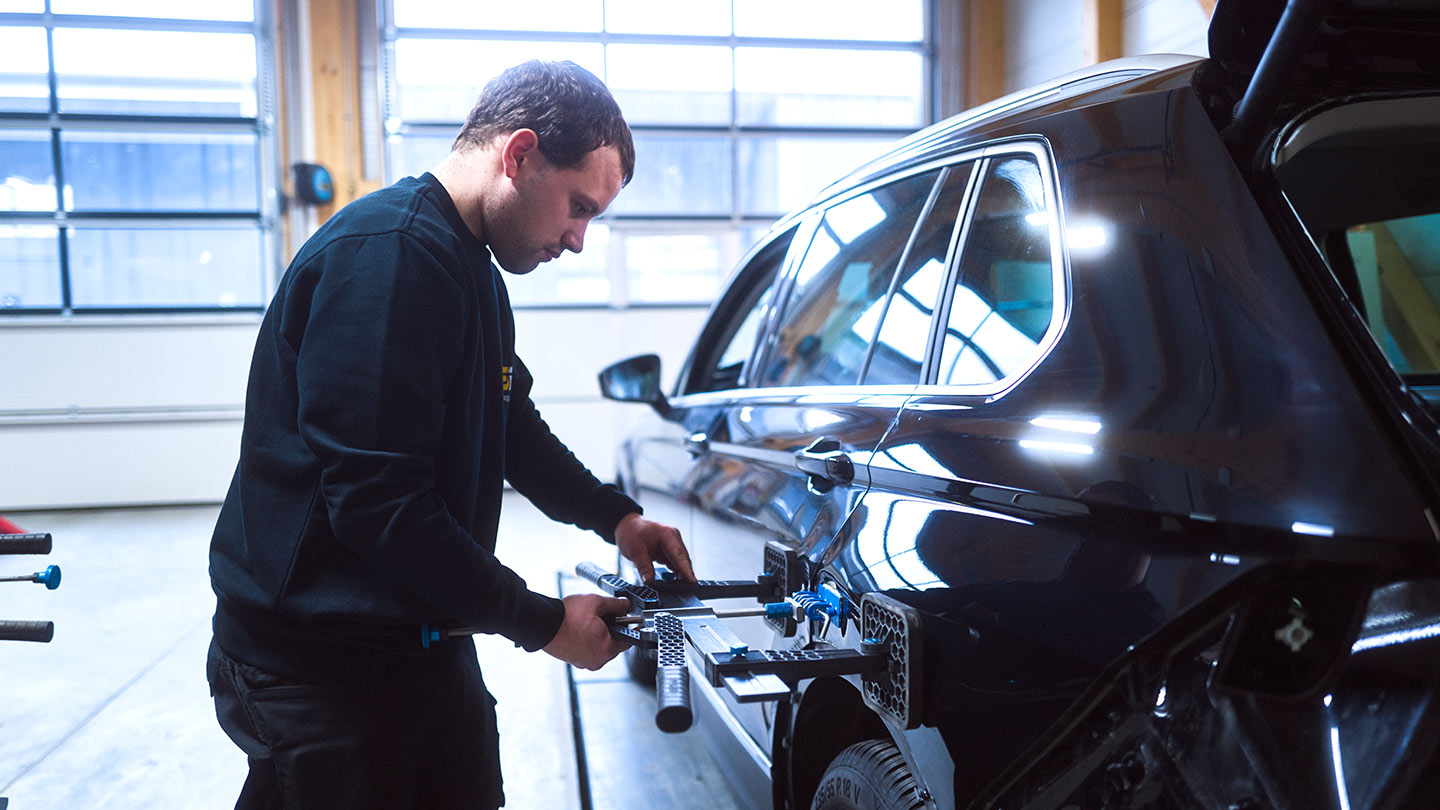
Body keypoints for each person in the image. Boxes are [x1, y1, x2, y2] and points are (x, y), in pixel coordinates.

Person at [206, 59, 694, 810]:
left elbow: (511, 424)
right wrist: (543, 622)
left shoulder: (471, 266)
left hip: (419, 633)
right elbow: (379, 505)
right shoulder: (390, 258)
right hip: (319, 663)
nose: (578, 241)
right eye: (579, 207)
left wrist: (617, 517)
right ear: (520, 154)